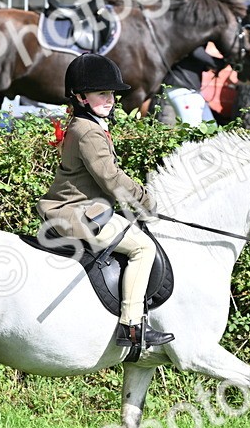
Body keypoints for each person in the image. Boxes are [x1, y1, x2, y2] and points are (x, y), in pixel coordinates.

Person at [36, 53, 174, 353]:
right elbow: (111, 179)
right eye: (102, 94)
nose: (110, 100)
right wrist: (146, 200)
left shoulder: (87, 124)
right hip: (75, 214)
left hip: (90, 209)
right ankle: (132, 326)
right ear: (81, 97)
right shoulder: (88, 132)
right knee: (143, 247)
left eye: (111, 93)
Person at [158, 43, 225, 126]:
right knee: (192, 127)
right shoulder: (190, 39)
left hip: (191, 89)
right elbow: (195, 51)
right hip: (181, 88)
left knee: (211, 127)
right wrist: (219, 63)